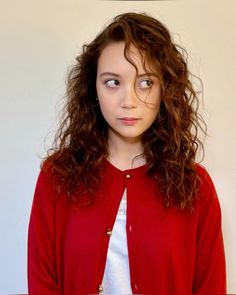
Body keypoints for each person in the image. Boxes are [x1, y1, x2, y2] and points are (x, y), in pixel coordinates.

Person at [27, 12, 226, 294]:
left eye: (145, 82)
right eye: (113, 82)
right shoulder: (57, 177)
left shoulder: (195, 185)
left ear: (164, 89)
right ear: (93, 89)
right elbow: (42, 282)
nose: (129, 101)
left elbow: (211, 287)